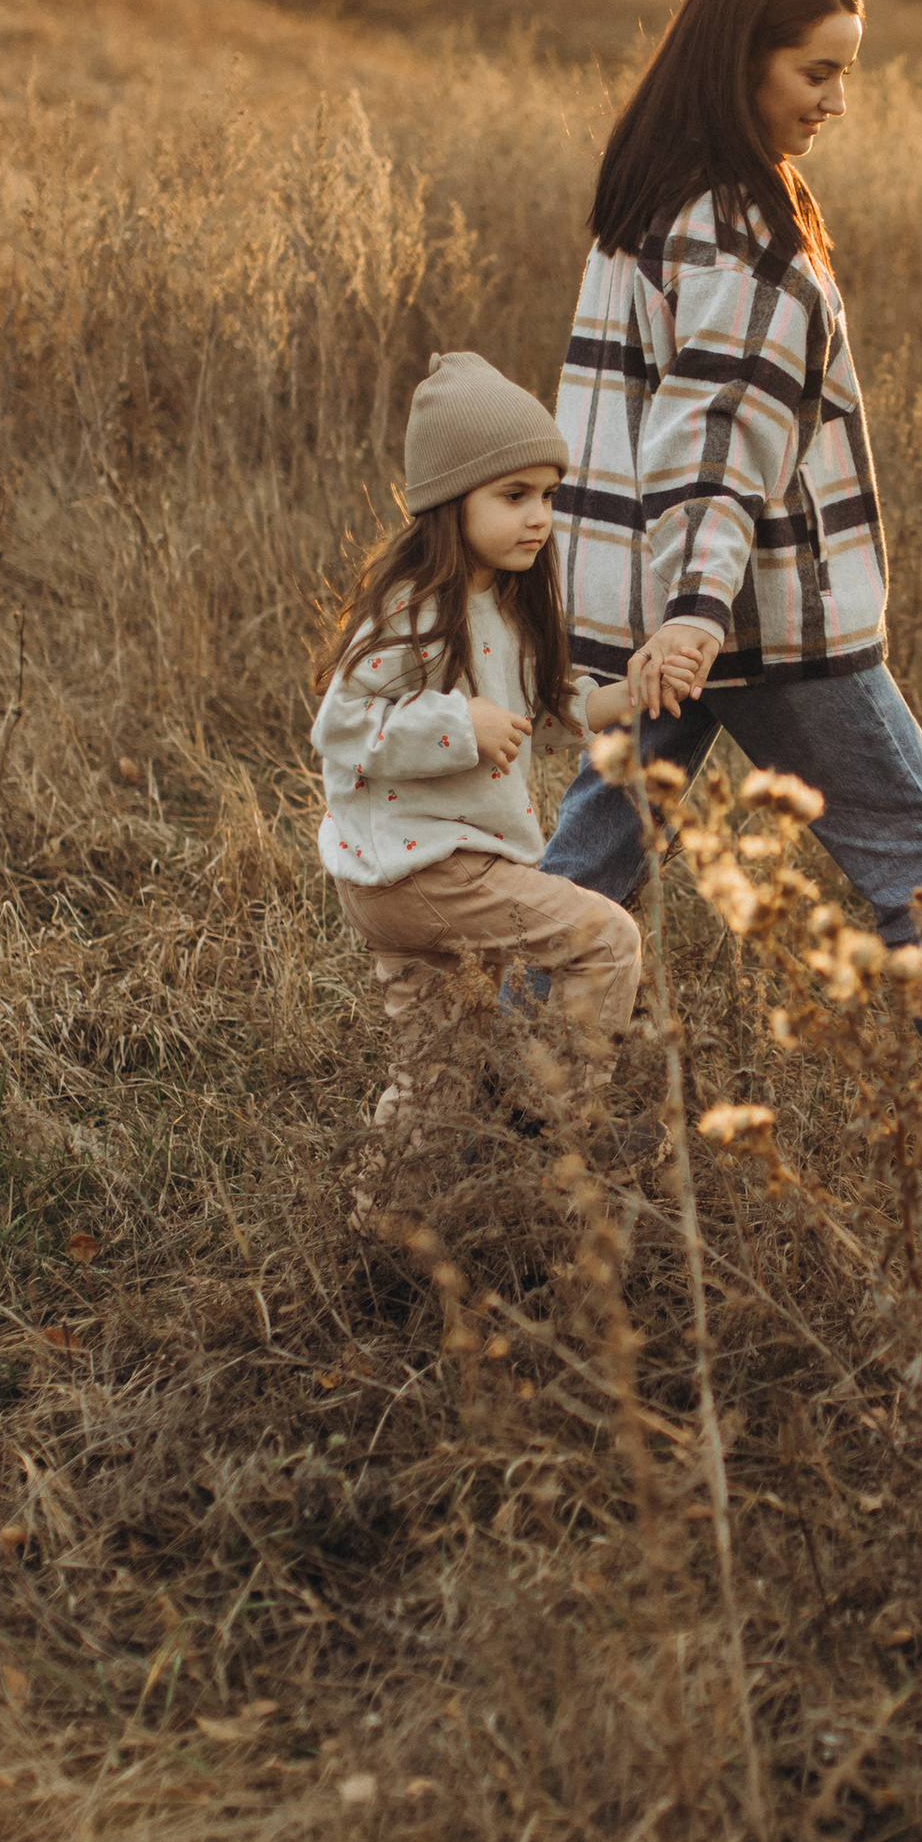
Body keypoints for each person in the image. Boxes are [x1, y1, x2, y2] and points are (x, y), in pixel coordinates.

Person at [541, 0, 922, 1169]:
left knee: (597, 852)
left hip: (664, 604)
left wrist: (668, 611)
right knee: (912, 835)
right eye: (816, 71)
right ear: (739, 61)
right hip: (752, 611)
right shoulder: (734, 226)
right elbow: (717, 434)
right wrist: (698, 609)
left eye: (846, 74)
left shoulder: (654, 199)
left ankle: (483, 1090)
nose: (835, 103)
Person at [312, 349, 644, 1211]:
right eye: (513, 496)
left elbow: (550, 700)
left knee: (437, 1075)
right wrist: (459, 726)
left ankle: (379, 1227)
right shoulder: (416, 612)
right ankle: (552, 1158)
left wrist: (629, 695)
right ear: (447, 501)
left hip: (416, 875)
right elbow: (341, 727)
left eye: (547, 495)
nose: (539, 516)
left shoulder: (506, 604)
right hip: (426, 871)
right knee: (607, 943)